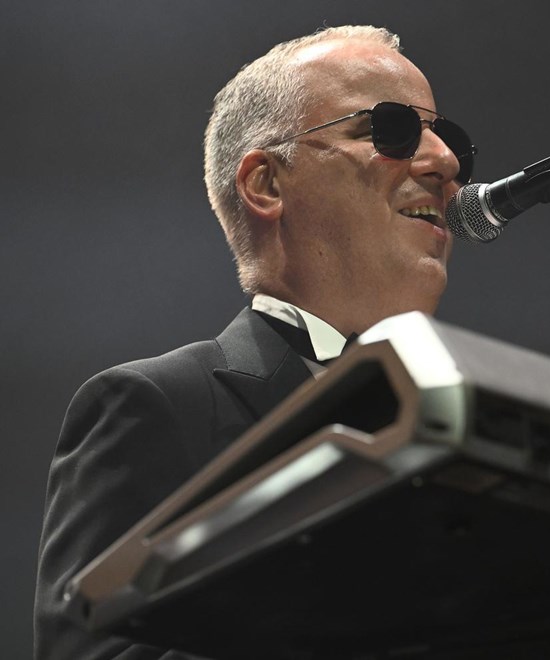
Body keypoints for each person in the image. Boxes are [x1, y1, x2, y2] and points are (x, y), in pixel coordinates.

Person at [34, 24, 475, 659]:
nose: (445, 162)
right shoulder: (158, 405)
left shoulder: (471, 427)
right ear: (265, 184)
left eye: (445, 136)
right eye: (390, 130)